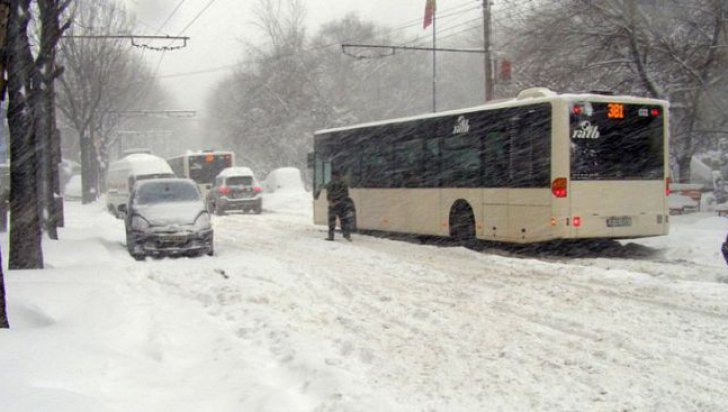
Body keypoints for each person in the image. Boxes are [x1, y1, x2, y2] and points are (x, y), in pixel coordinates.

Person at [326, 170, 351, 241]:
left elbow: (328, 195)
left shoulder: (330, 184)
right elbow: (345, 195)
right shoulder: (343, 184)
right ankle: (347, 235)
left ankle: (331, 236)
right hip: (341, 205)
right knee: (344, 220)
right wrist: (338, 201)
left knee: (332, 222)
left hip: (334, 205)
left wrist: (331, 202)